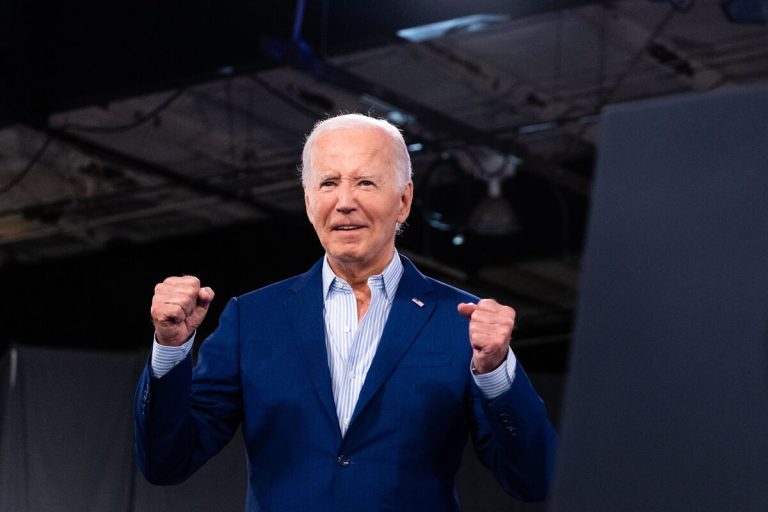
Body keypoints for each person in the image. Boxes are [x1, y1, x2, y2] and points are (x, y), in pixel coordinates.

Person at [134, 113, 557, 512]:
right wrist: (170, 350)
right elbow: (165, 462)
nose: (344, 202)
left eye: (366, 182)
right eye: (329, 183)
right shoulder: (253, 319)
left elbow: (534, 480)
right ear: (307, 200)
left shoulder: (459, 320)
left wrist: (497, 372)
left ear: (404, 200)